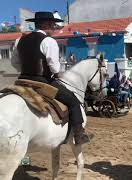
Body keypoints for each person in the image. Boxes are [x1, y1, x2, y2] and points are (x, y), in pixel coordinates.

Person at [11, 11, 90, 145]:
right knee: (73, 101)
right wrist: (58, 74)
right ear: (46, 23)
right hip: (42, 83)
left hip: (22, 81)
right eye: (53, 23)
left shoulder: (20, 40)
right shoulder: (49, 41)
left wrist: (25, 71)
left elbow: (15, 63)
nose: (54, 26)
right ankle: (79, 134)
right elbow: (55, 69)